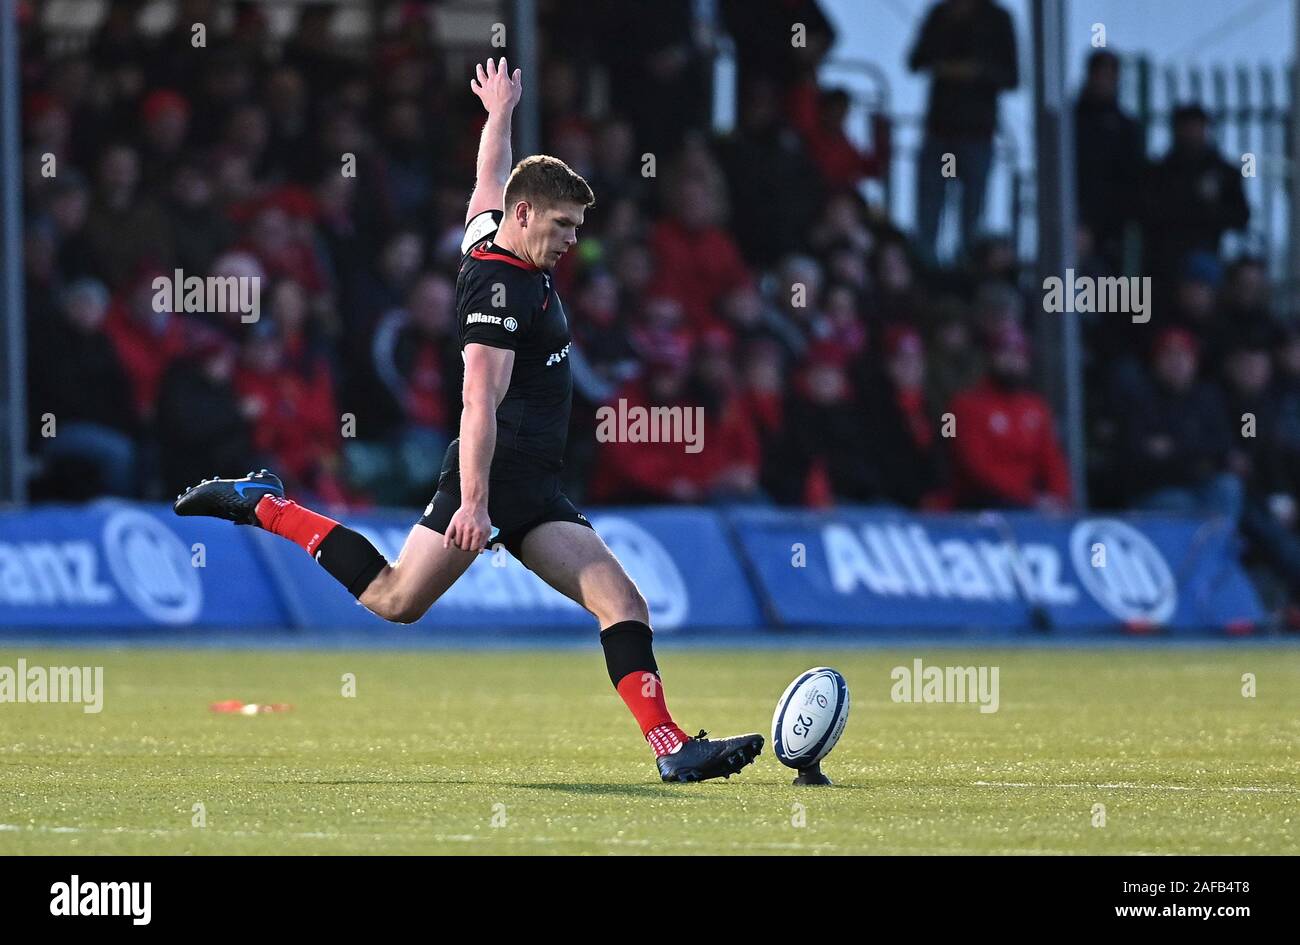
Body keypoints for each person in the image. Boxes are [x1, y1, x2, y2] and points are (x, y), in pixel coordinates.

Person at [174, 58, 762, 784]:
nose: (573, 238)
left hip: (533, 483)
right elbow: (477, 399)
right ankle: (263, 504)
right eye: (563, 224)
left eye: (577, 225)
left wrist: (499, 114)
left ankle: (672, 748)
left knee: (621, 600)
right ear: (526, 217)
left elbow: (492, 176)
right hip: (496, 474)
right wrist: (476, 503)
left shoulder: (494, 229)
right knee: (395, 599)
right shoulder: (499, 292)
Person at [908, 0, 1018, 264]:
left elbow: (1011, 76)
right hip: (940, 131)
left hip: (976, 134)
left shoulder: (997, 19)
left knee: (972, 215)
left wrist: (976, 72)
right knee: (929, 210)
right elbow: (916, 60)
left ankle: (968, 270)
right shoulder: (941, 14)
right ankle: (927, 270)